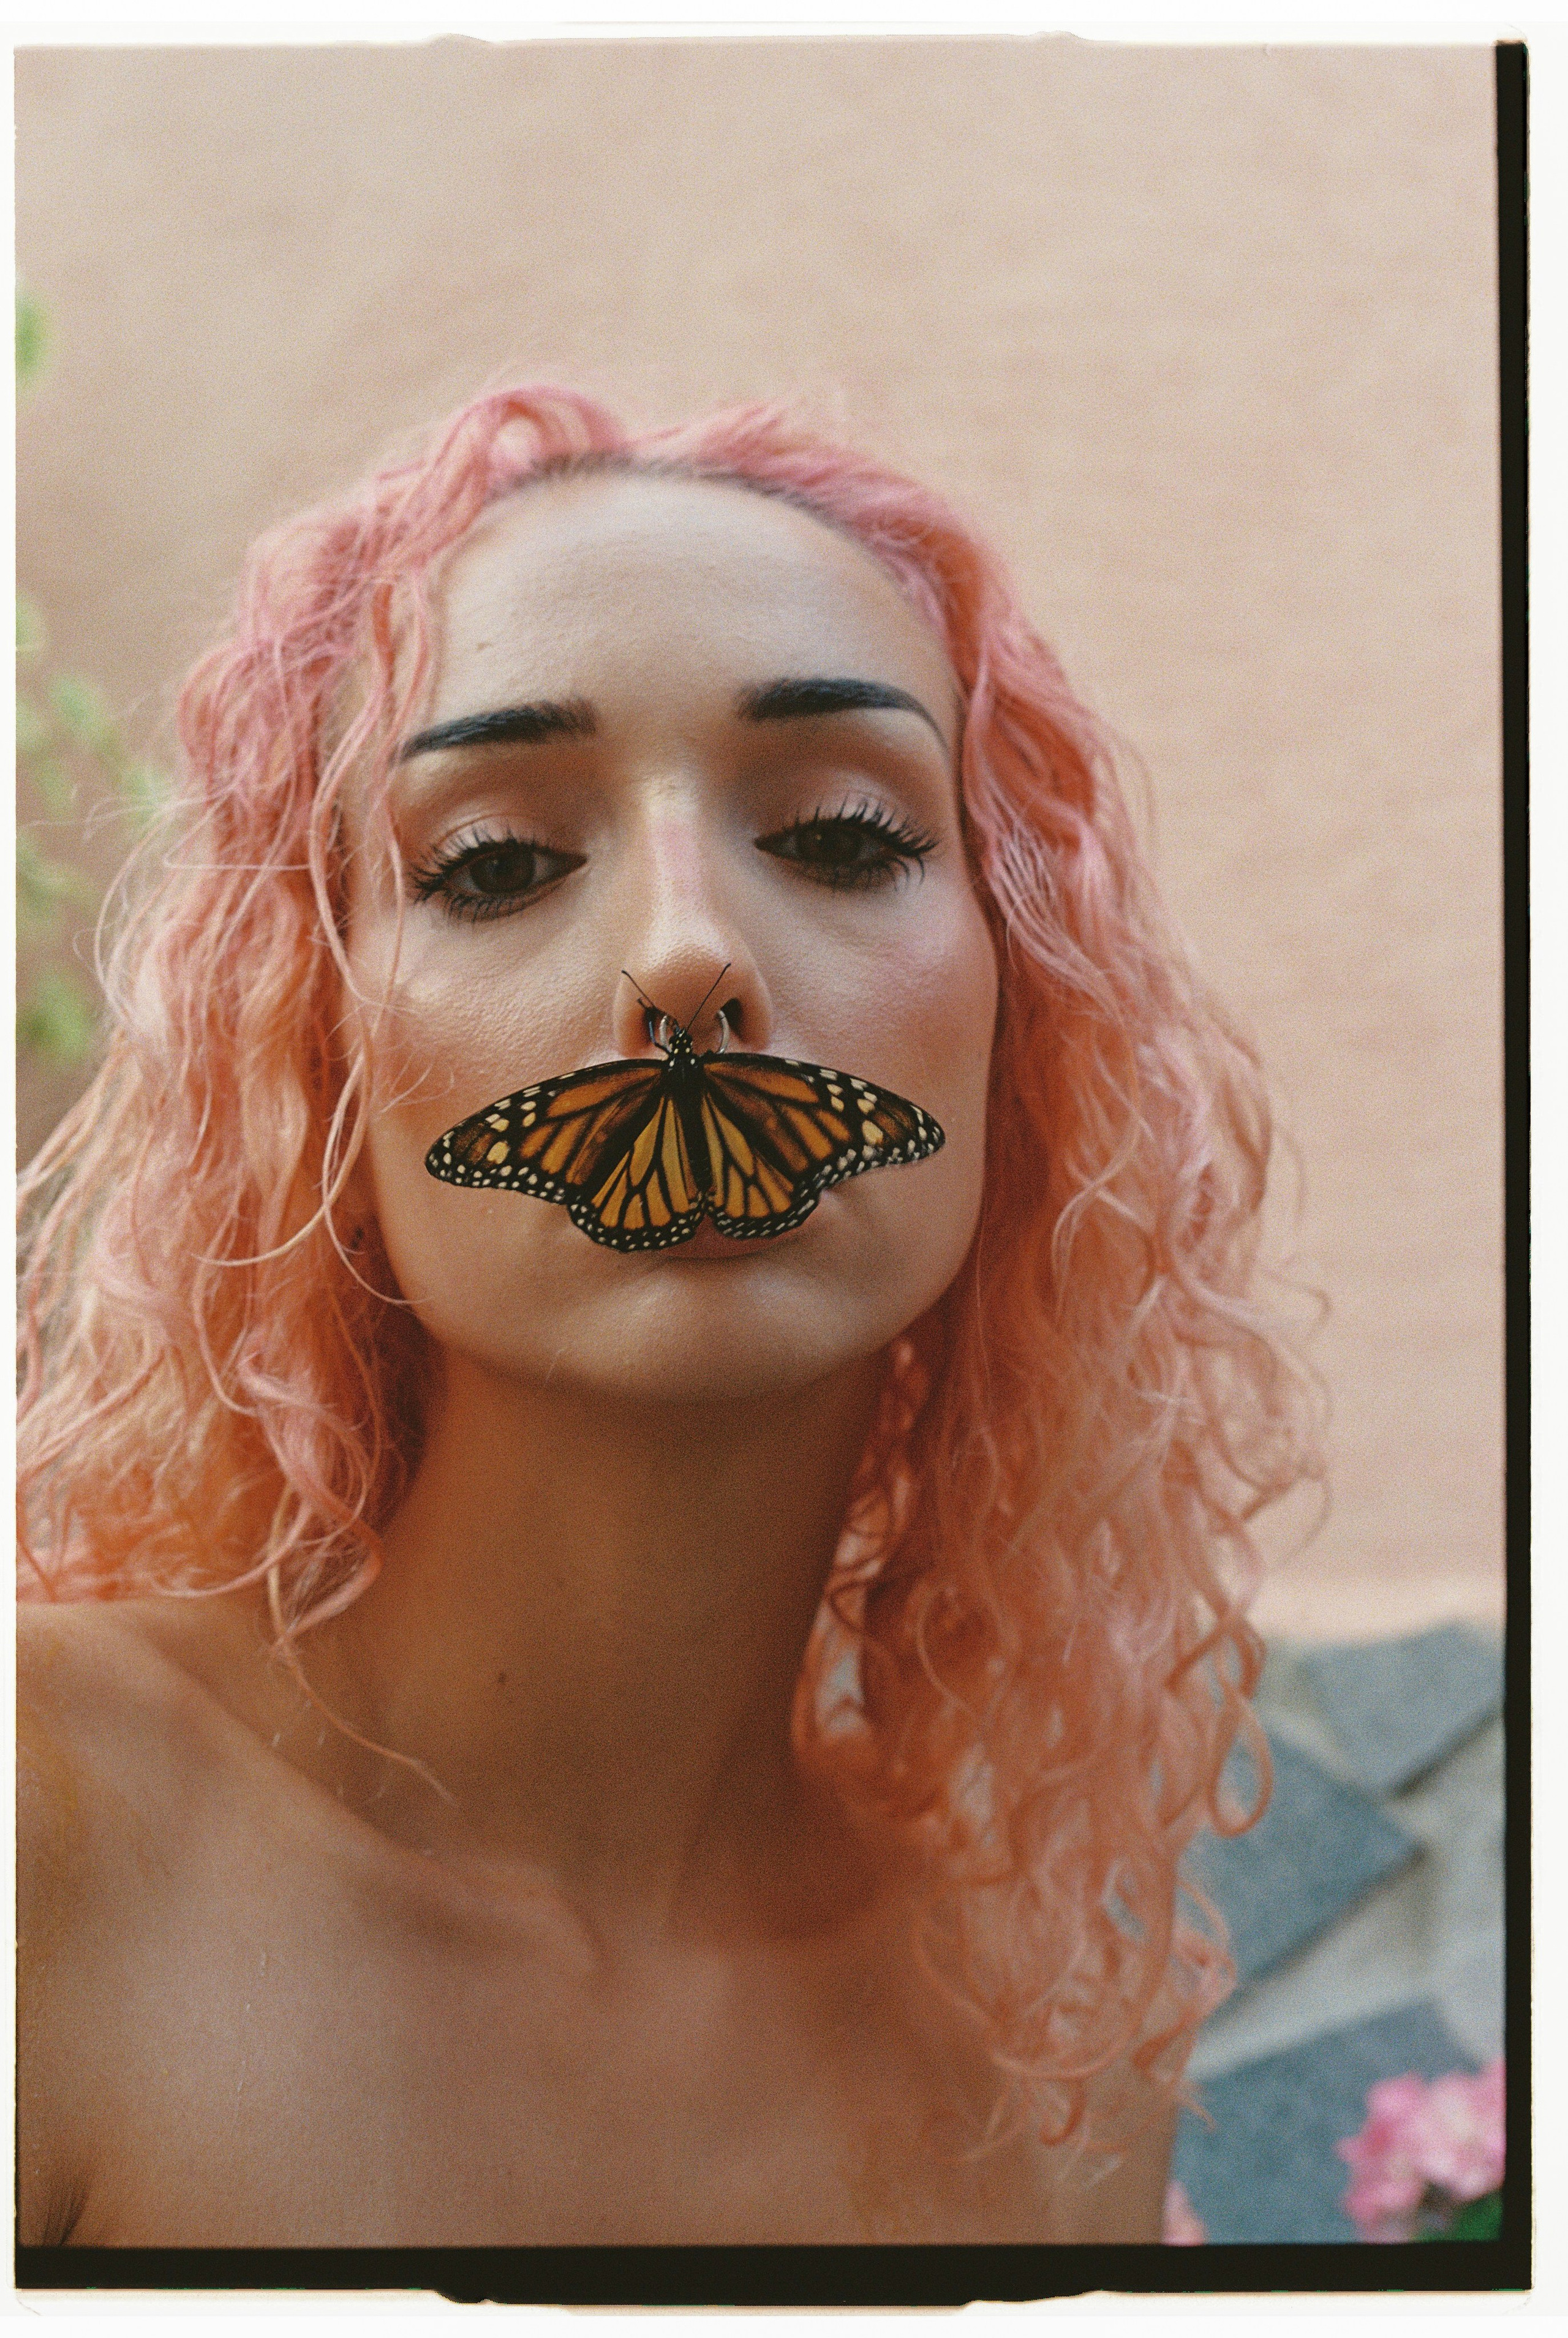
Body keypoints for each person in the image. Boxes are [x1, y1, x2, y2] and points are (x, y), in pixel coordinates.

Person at [17, 385, 1317, 2249]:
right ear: (315, 1045)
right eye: (492, 861)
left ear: (1028, 1004)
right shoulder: (46, 1838)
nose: (689, 950)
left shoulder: (1046, 2073)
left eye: (848, 834)